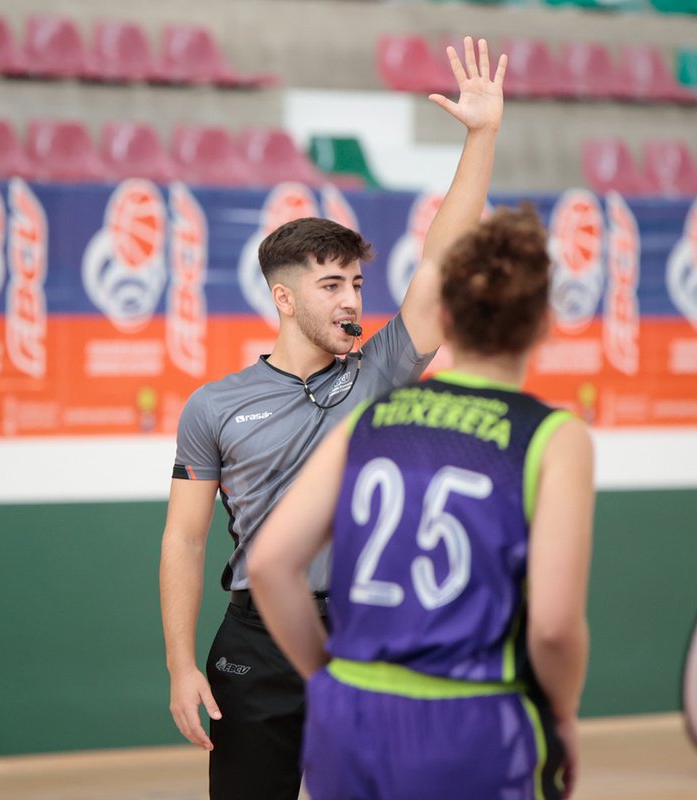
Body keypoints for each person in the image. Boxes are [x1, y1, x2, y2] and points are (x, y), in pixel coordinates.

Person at [159, 36, 508, 799]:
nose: (351, 300)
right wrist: (182, 666)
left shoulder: (381, 369)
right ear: (284, 298)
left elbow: (444, 260)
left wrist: (481, 136)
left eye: (355, 281)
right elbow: (185, 539)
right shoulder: (214, 407)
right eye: (331, 285)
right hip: (256, 640)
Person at [248, 205, 595, 800]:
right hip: (474, 715)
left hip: (349, 715)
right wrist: (560, 714)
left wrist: (328, 679)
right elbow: (556, 628)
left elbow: (267, 564)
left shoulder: (373, 417)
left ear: (446, 319)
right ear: (543, 324)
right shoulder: (551, 435)